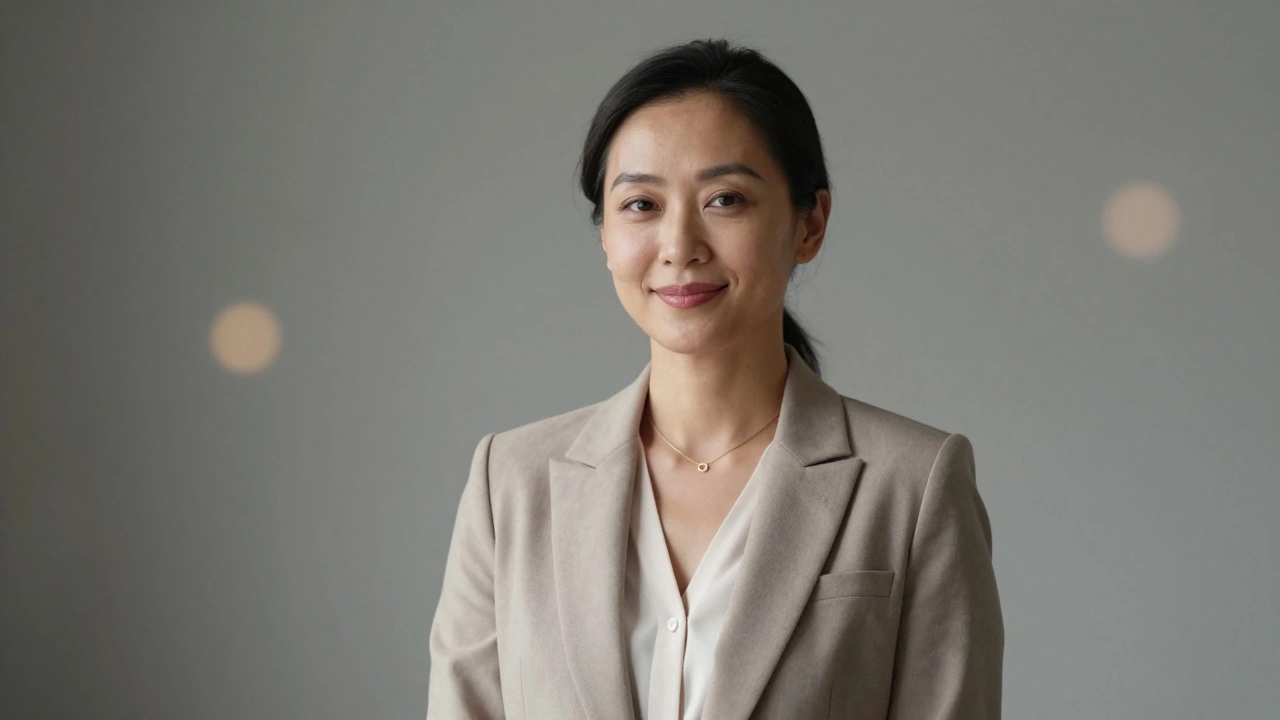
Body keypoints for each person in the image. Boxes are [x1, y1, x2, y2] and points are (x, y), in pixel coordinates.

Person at [426, 37, 1004, 719]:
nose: (679, 247)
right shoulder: (510, 486)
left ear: (810, 224)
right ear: (605, 234)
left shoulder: (913, 485)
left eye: (725, 199)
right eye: (641, 204)